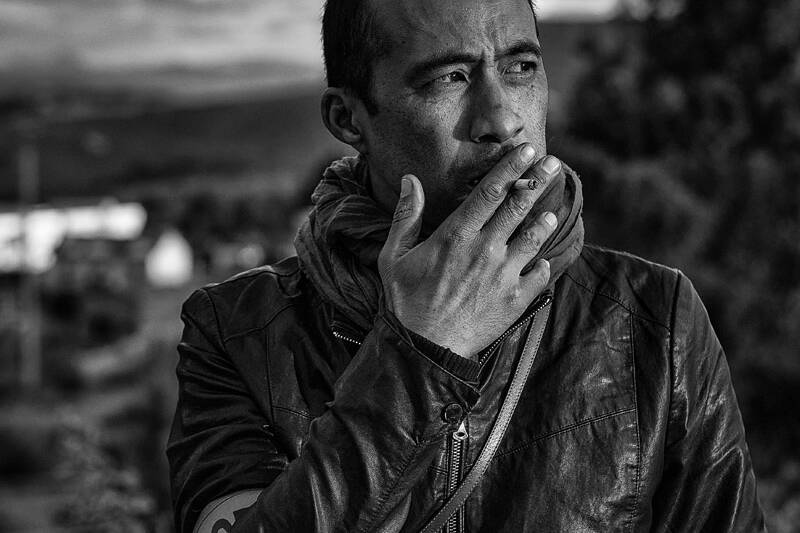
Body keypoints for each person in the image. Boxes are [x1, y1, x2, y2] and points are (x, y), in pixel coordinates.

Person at [167, 0, 766, 531]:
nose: (502, 120)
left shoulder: (656, 320)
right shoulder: (236, 334)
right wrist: (421, 354)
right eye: (449, 77)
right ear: (349, 119)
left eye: (521, 67)